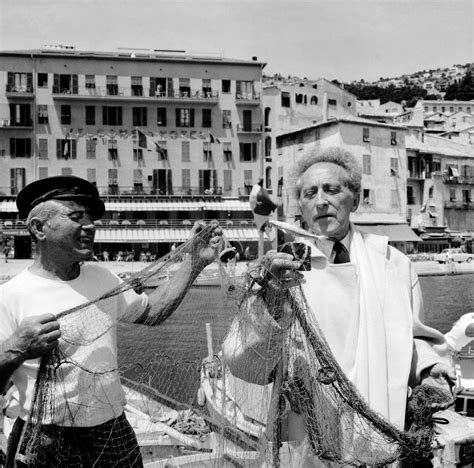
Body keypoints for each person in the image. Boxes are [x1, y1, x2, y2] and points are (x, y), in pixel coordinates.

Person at [222, 147, 455, 465]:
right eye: (309, 193)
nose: (320, 201)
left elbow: (413, 340)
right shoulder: (278, 271)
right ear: (300, 206)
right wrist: (270, 303)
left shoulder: (394, 265)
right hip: (310, 441)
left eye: (332, 189)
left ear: (355, 199)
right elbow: (246, 365)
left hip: (383, 431)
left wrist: (429, 371)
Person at [0, 175, 223, 467]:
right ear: (38, 228)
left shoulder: (102, 278)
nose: (90, 226)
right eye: (76, 216)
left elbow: (153, 311)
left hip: (112, 430)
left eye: (91, 218)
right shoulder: (9, 296)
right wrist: (17, 347)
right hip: (44, 439)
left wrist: (194, 262)